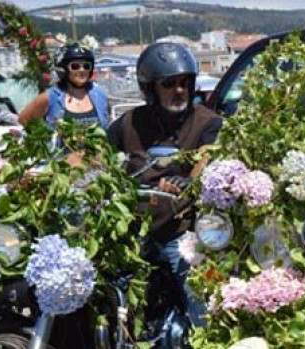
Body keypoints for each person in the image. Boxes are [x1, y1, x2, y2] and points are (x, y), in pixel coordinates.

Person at [107, 42, 222, 331]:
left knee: (201, 304)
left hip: (179, 231)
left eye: (185, 83)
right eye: (169, 84)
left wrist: (191, 181)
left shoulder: (208, 122)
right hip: (132, 231)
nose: (179, 90)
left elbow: (208, 158)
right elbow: (94, 155)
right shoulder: (129, 122)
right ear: (150, 88)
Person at [18, 43, 110, 129]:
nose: (82, 70)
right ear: (63, 69)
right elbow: (24, 120)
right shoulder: (50, 97)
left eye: (86, 66)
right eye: (75, 66)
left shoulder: (99, 94)